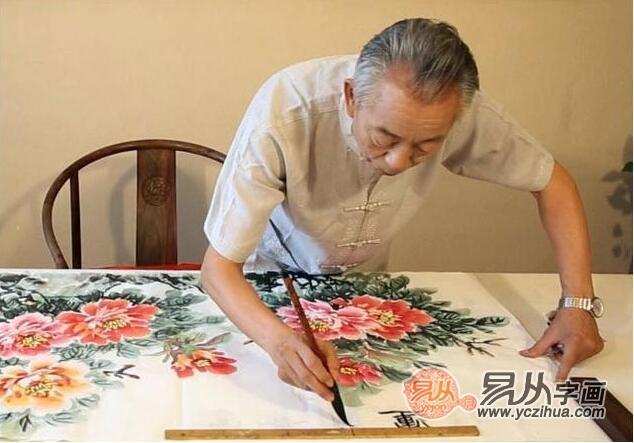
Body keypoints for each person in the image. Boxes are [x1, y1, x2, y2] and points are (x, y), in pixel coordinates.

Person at [200, 18, 603, 402]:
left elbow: (553, 183)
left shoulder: (456, 108)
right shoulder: (286, 110)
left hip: (368, 287)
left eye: (425, 145)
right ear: (352, 97)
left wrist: (578, 304)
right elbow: (217, 269)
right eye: (385, 137)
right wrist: (278, 342)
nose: (397, 162)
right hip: (266, 283)